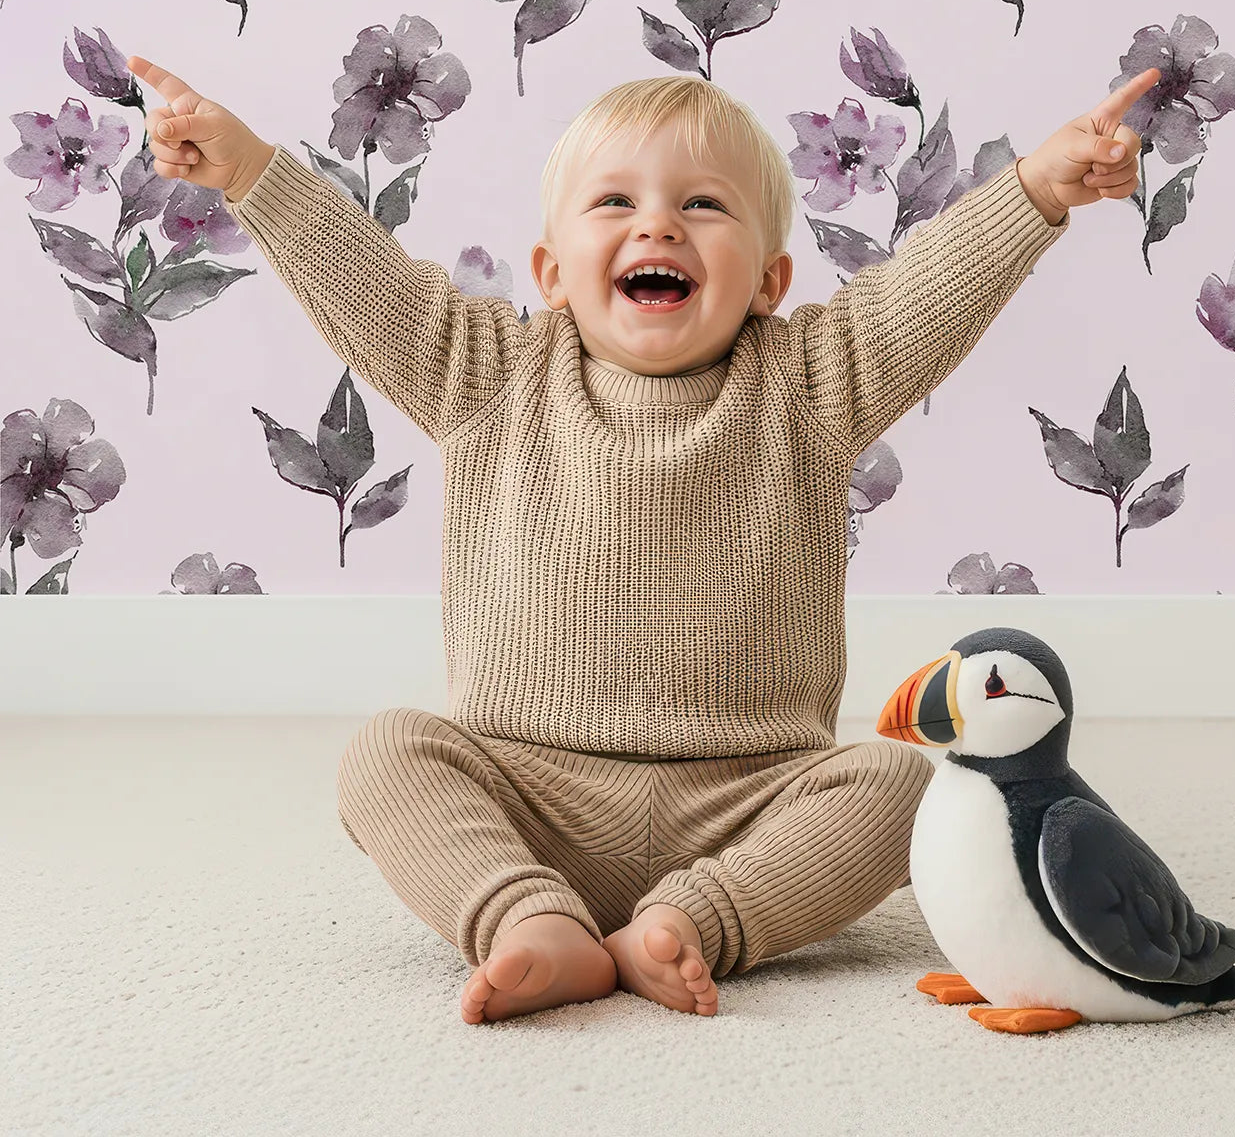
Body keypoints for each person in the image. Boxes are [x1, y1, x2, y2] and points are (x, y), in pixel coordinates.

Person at [126, 54, 1153, 1025]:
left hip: (748, 800)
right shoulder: (483, 371)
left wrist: (1038, 189)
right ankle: (524, 914)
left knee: (899, 785)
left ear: (766, 279)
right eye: (614, 202)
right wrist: (250, 168)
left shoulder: (809, 383)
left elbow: (925, 288)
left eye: (702, 204)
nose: (656, 222)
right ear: (553, 270)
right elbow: (366, 282)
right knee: (386, 753)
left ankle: (685, 923)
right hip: (527, 789)